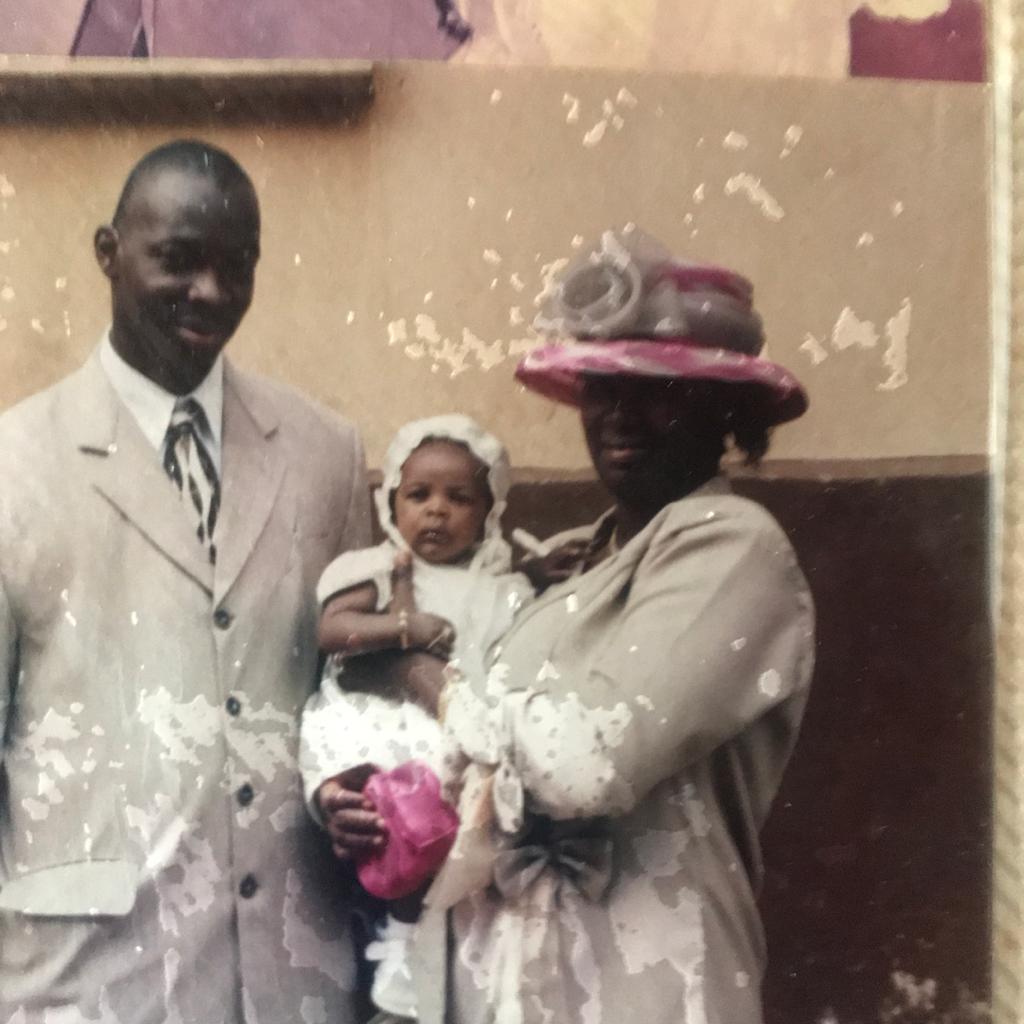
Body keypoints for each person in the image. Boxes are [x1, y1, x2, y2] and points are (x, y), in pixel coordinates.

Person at [328, 227, 816, 1024]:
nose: (620, 416)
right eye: (602, 386)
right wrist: (377, 797)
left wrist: (417, 675)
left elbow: (583, 762)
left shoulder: (733, 550)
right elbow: (484, 759)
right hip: (507, 976)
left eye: (657, 391)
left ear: (724, 407)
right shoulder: (567, 562)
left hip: (646, 978)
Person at [0, 139, 371, 1023]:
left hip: (295, 982)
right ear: (108, 252)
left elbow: (357, 706)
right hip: (86, 985)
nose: (209, 291)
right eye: (177, 259)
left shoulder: (327, 453)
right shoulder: (14, 464)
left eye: (236, 266)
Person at [300, 414, 534, 1023]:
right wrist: (405, 625)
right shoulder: (378, 567)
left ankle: (436, 961)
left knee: (463, 840)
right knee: (404, 831)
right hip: (377, 721)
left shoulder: (502, 589)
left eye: (460, 499)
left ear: (490, 511)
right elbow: (334, 631)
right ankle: (401, 951)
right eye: (419, 495)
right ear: (391, 502)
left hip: (454, 729)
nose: (436, 511)